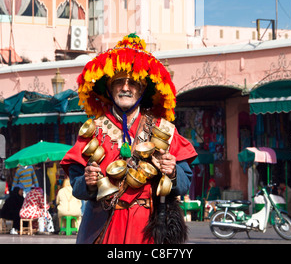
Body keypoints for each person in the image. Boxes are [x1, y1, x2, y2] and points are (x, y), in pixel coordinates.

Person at [61, 34, 197, 244]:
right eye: (119, 82)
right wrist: (87, 182)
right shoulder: (93, 130)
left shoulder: (164, 129)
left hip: (149, 230)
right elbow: (77, 186)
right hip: (105, 226)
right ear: (109, 88)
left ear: (142, 90)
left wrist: (173, 172)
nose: (126, 88)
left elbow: (185, 182)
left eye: (133, 83)